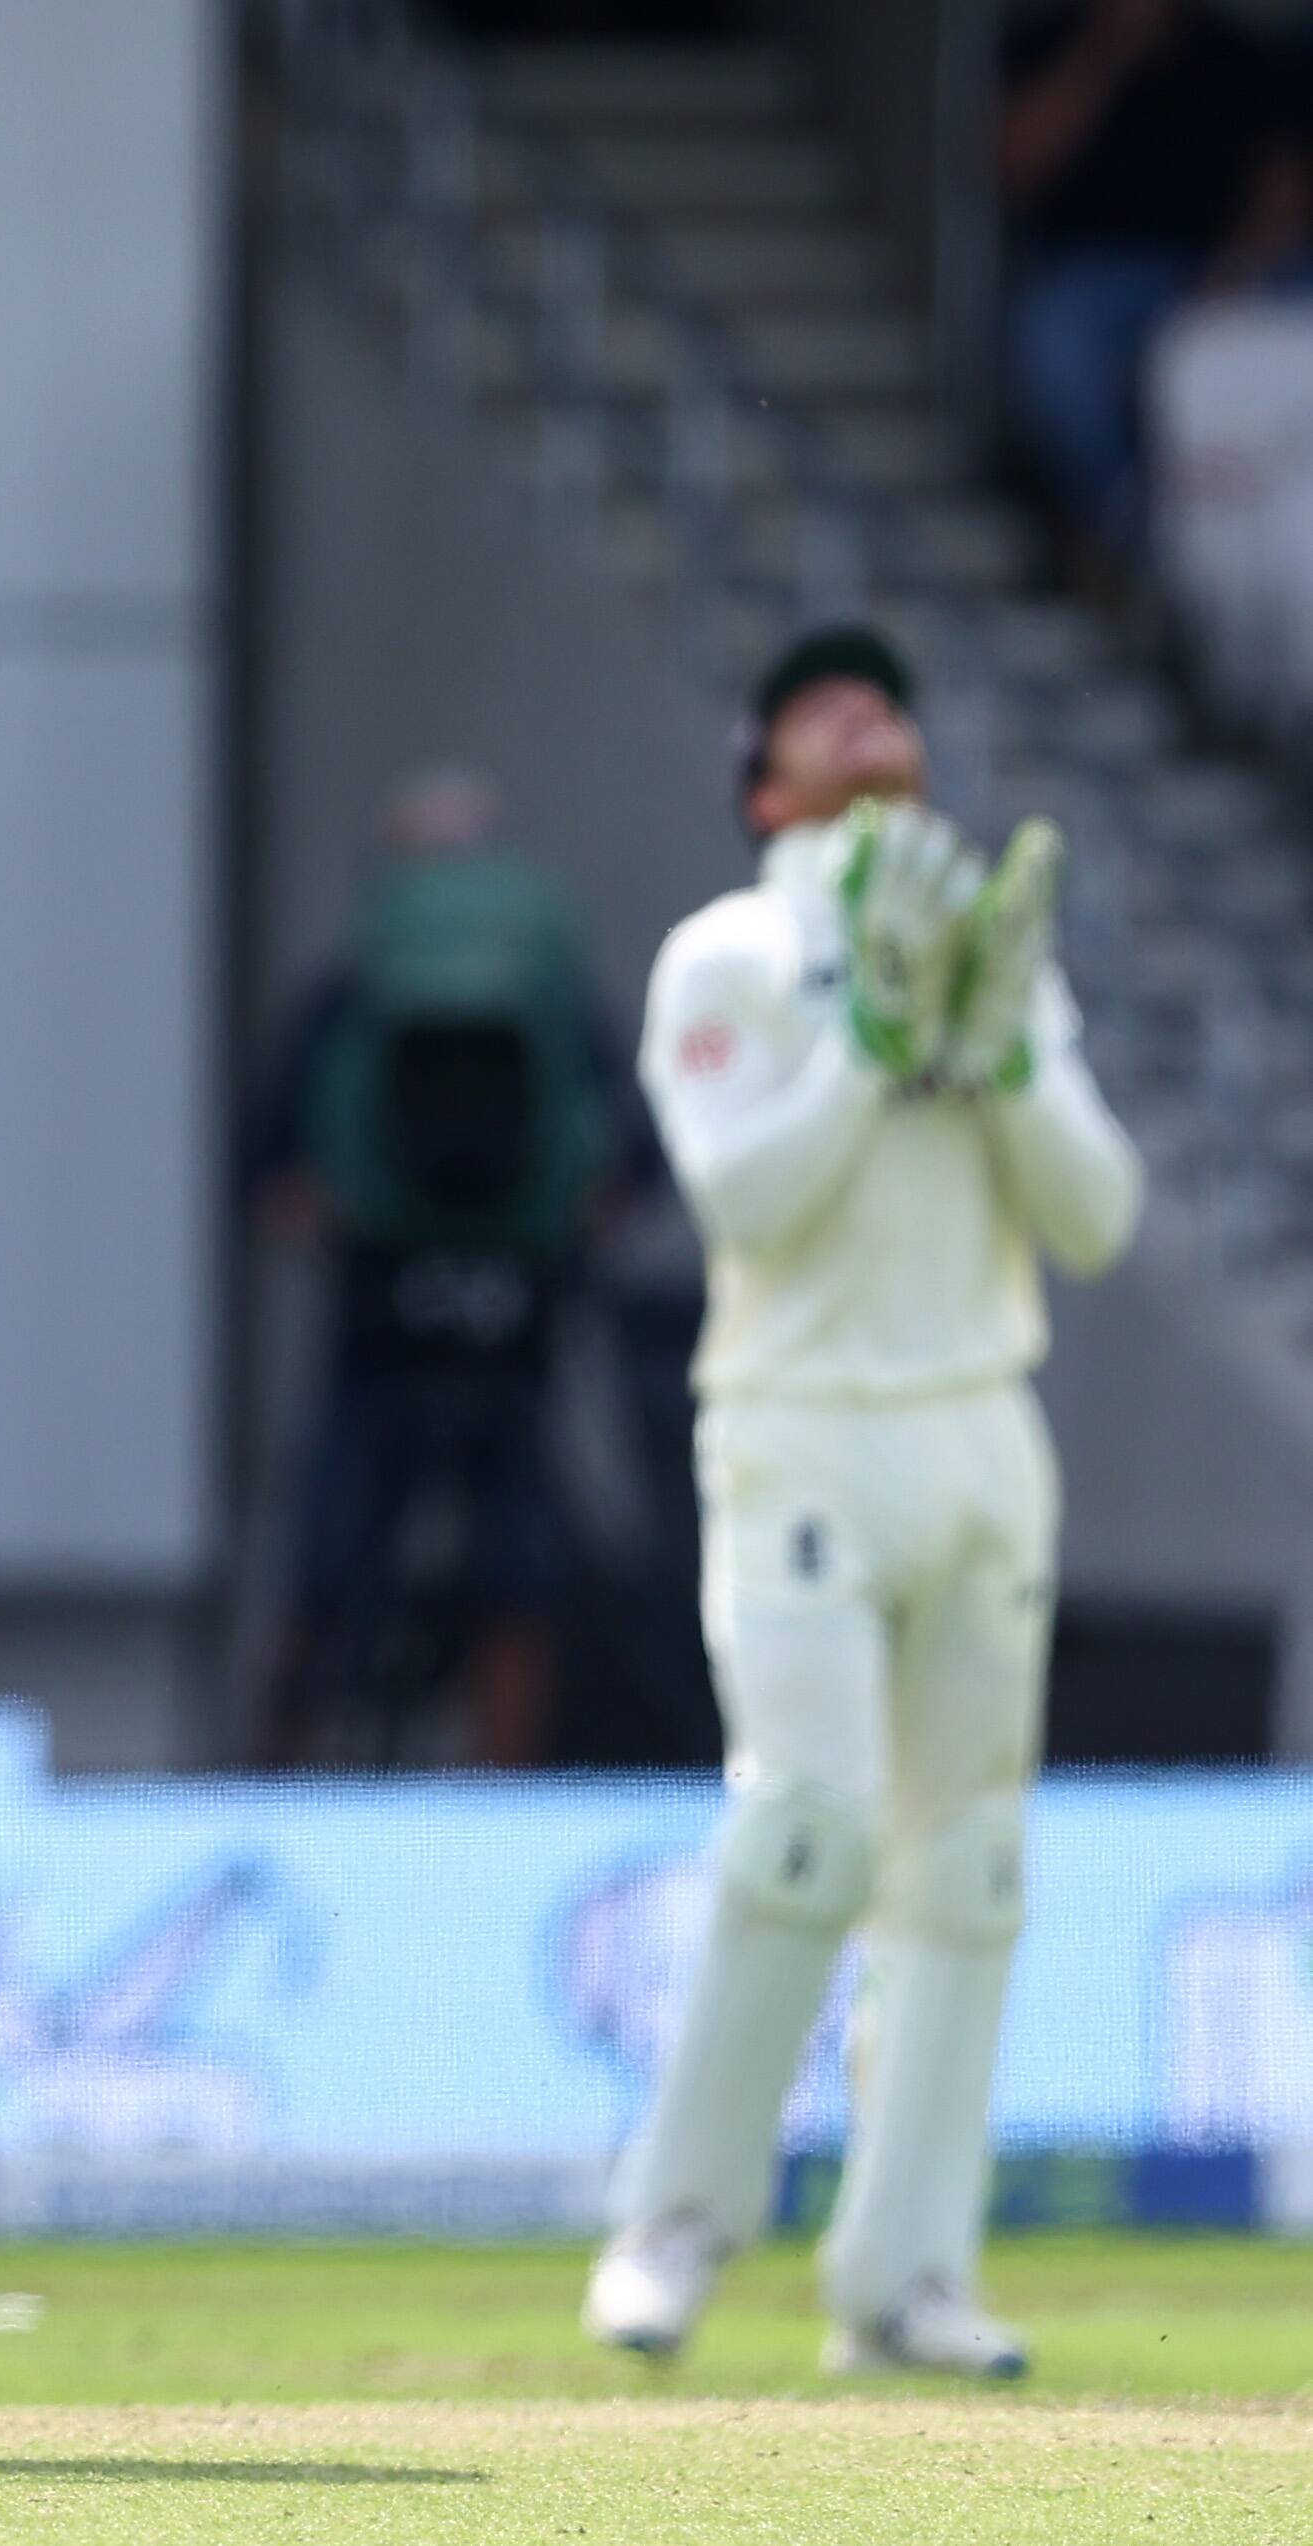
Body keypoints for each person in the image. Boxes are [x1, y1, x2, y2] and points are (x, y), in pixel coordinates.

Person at [583, 625, 1141, 2375]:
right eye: (824, 708)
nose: (867, 721)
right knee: (807, 1825)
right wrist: (869, 1043)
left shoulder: (988, 945)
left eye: (884, 699)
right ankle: (669, 2232)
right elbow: (739, 1208)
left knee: (963, 1866)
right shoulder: (727, 952)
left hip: (977, 1422)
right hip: (799, 1427)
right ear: (763, 783)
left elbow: (1095, 1214)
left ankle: (900, 2280)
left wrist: (993, 1048)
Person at [244, 769, 629, 1766]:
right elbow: (268, 1164)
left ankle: (494, 1782)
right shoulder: (354, 1000)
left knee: (509, 1569)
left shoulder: (372, 997)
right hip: (402, 1328)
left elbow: (264, 1166)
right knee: (340, 1565)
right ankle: (291, 1766)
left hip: (467, 1330)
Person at [1000, 0, 1313, 551]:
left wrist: (1237, 266)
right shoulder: (1051, 38)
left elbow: (1283, 185)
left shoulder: (1234, 50)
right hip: (1091, 278)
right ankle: (1131, 521)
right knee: (1053, 336)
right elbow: (1014, 166)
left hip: (1220, 271)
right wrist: (1104, 56)